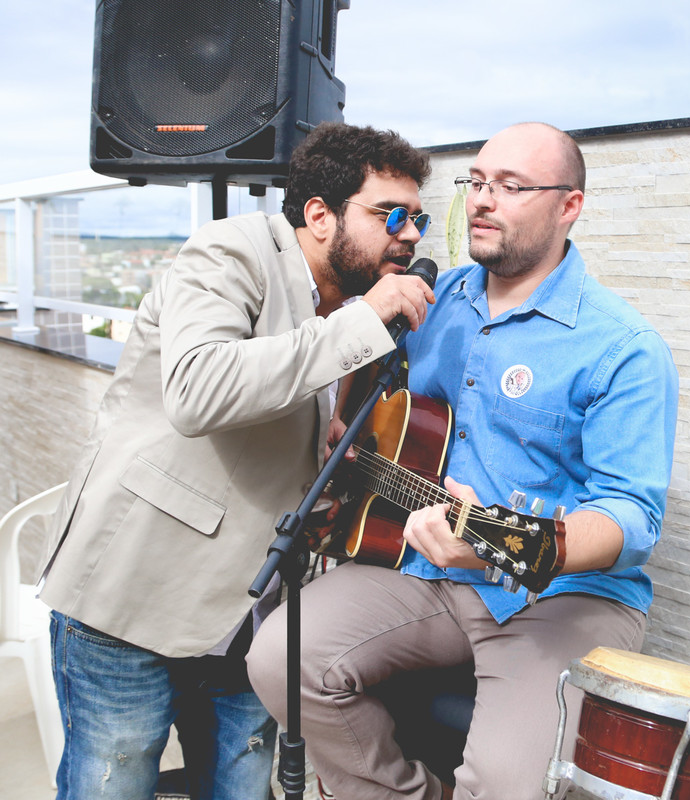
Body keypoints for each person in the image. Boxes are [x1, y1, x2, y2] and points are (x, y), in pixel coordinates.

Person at [246, 122, 680, 800]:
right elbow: (374, 385)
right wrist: (343, 425)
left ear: (569, 206)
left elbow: (633, 519)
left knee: (507, 785)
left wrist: (495, 541)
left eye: (510, 186)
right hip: (424, 574)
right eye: (476, 183)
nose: (483, 200)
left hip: (559, 597)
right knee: (279, 657)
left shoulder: (624, 347)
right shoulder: (431, 300)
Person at [37, 122, 437, 800]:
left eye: (418, 217)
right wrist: (363, 322)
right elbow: (198, 391)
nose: (411, 233)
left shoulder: (344, 300)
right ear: (319, 214)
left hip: (251, 618)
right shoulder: (230, 253)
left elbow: (286, 412)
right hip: (135, 597)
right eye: (388, 214)